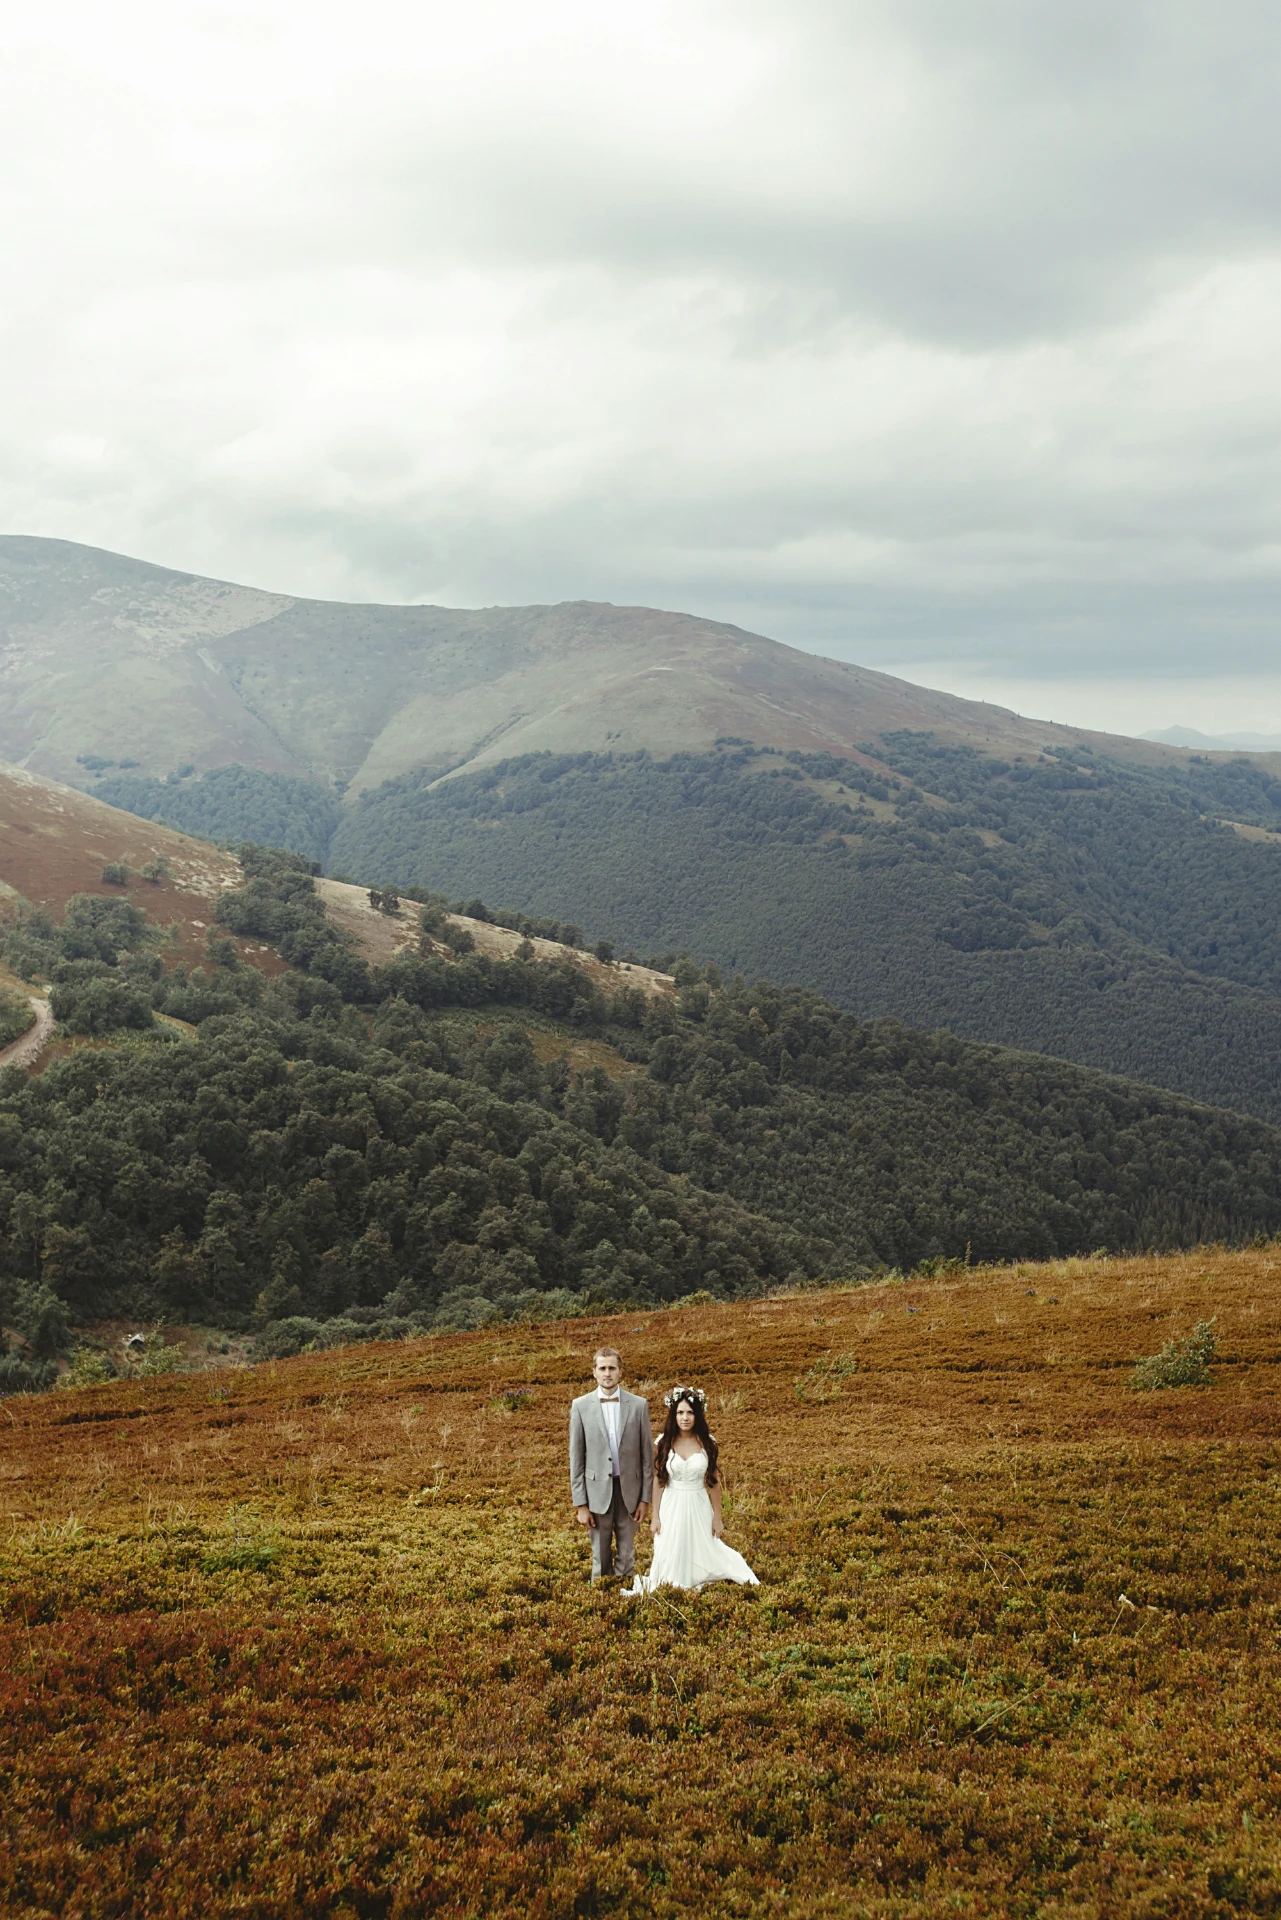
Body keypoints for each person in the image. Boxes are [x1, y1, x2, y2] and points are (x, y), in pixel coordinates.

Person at [625, 1385, 759, 1595]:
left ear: (697, 1415)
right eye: (680, 1412)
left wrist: (717, 1517)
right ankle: (671, 1583)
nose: (685, 1418)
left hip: (698, 1502)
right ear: (673, 1415)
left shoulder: (707, 1443)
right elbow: (658, 1480)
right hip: (671, 1503)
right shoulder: (664, 1442)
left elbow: (713, 1482)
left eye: (690, 1412)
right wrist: (655, 1516)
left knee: (703, 1545)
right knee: (670, 1546)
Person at [568, 1346, 653, 1583]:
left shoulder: (638, 1405)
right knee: (600, 1554)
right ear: (594, 1372)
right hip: (596, 1494)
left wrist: (645, 1499)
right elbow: (576, 1459)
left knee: (627, 1554)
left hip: (630, 1493)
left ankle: (625, 1597)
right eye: (602, 1368)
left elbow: (647, 1456)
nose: (607, 1373)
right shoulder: (580, 1406)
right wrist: (580, 1504)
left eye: (612, 1368)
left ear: (620, 1371)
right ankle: (602, 1602)